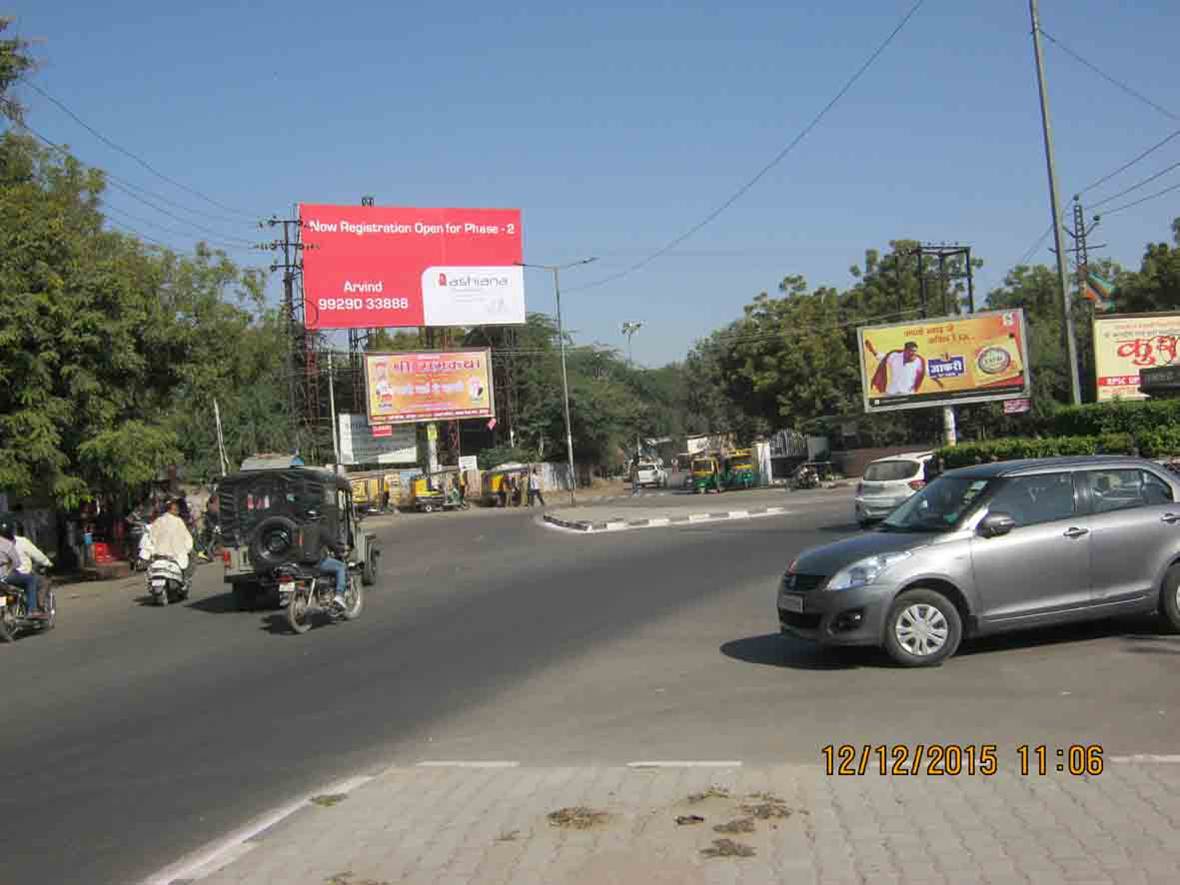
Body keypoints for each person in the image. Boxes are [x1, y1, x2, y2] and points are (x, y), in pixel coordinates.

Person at [140, 498, 194, 581]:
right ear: (171, 510)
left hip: (159, 554)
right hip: (176, 555)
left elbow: (152, 537)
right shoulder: (178, 521)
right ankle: (185, 579)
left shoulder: (158, 521)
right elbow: (187, 539)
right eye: (176, 510)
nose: (177, 511)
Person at [0, 520, 40, 617]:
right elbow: (17, 563)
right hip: (5, 577)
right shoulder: (8, 544)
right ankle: (32, 610)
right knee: (31, 580)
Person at [14, 522, 52, 615]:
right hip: (19, 575)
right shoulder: (21, 541)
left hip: (4, 578)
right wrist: (48, 563)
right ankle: (35, 609)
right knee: (41, 581)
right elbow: (37, 555)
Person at [312, 513, 349, 609]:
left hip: (301, 565)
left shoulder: (299, 529)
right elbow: (332, 544)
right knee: (341, 566)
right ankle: (339, 595)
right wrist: (342, 549)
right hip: (317, 562)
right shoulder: (321, 529)